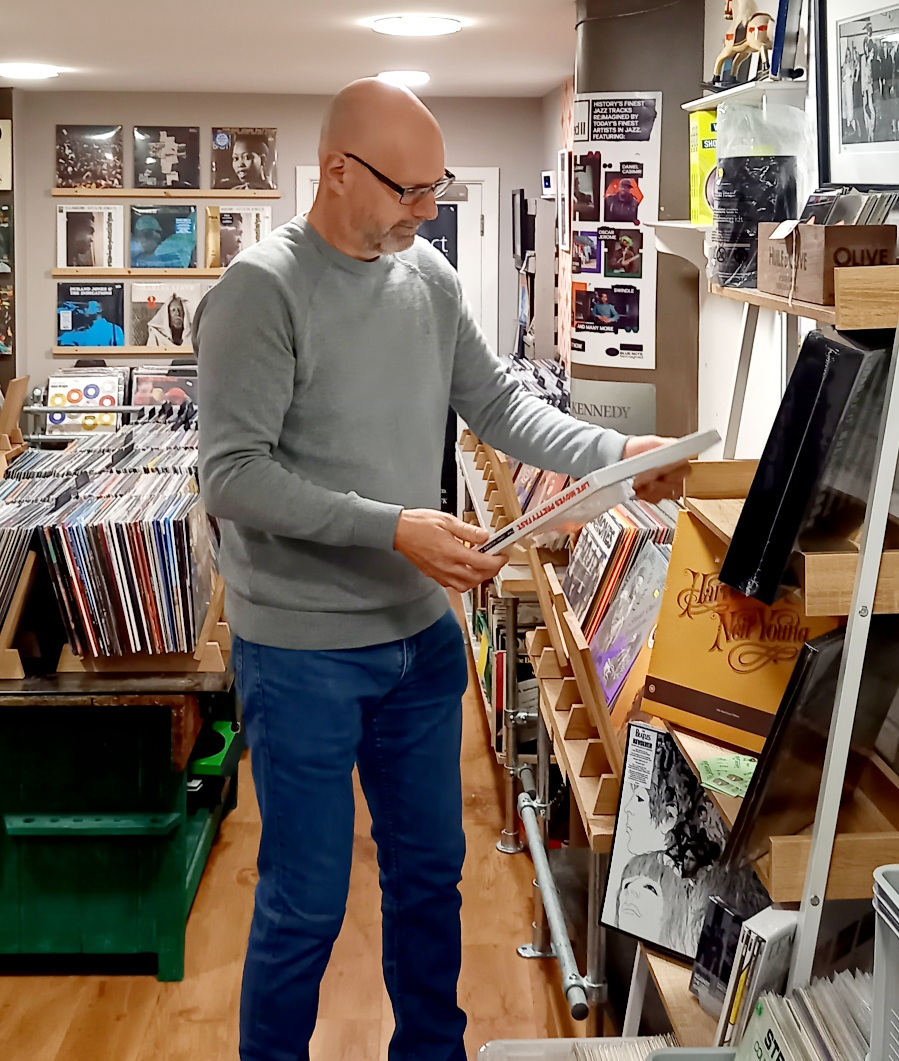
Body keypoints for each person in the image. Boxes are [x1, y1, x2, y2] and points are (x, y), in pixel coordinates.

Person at [195, 77, 688, 1061]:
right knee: (304, 901)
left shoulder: (426, 276)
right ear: (336, 170)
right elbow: (235, 476)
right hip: (301, 652)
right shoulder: (258, 289)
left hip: (421, 643)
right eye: (407, 189)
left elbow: (504, 411)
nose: (426, 211)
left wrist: (621, 457)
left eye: (436, 189)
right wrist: (395, 528)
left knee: (431, 877)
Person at [57, 299, 124, 346]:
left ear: (99, 309)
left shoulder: (113, 329)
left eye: (87, 306)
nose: (84, 309)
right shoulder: (80, 329)